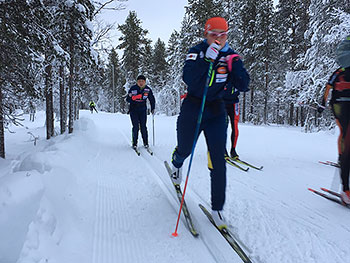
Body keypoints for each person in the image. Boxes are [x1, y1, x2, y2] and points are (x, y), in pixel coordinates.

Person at [170, 17, 250, 229]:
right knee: (185, 148)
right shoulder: (196, 51)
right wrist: (207, 60)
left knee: (218, 159)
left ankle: (217, 208)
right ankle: (176, 163)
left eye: (222, 35)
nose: (218, 39)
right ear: (206, 34)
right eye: (213, 34)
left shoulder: (231, 55)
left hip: (216, 109)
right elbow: (189, 77)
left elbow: (244, 85)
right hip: (194, 107)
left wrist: (236, 68)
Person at [318, 36, 350, 204]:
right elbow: (328, 87)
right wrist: (323, 103)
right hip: (339, 105)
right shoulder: (339, 72)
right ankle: (346, 188)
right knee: (345, 133)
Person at [126, 75, 155, 149]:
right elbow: (128, 99)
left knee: (143, 127)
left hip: (142, 110)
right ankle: (135, 143)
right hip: (134, 110)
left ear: (145, 82)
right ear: (137, 82)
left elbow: (152, 99)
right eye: (139, 81)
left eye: (142, 81)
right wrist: (134, 98)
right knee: (135, 127)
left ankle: (146, 143)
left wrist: (153, 108)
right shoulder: (133, 88)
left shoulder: (147, 89)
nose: (141, 83)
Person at [223, 86, 240, 159]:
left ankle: (233, 150)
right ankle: (223, 150)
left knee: (235, 129)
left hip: (234, 104)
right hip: (222, 103)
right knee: (223, 127)